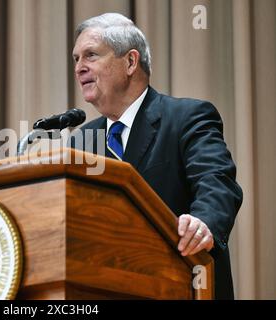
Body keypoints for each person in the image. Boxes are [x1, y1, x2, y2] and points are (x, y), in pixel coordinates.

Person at [69, 13, 243, 299]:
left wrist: (204, 222)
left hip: (184, 284)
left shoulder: (187, 118)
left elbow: (217, 181)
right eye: (76, 59)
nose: (79, 68)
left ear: (130, 62)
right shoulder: (82, 141)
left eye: (90, 55)